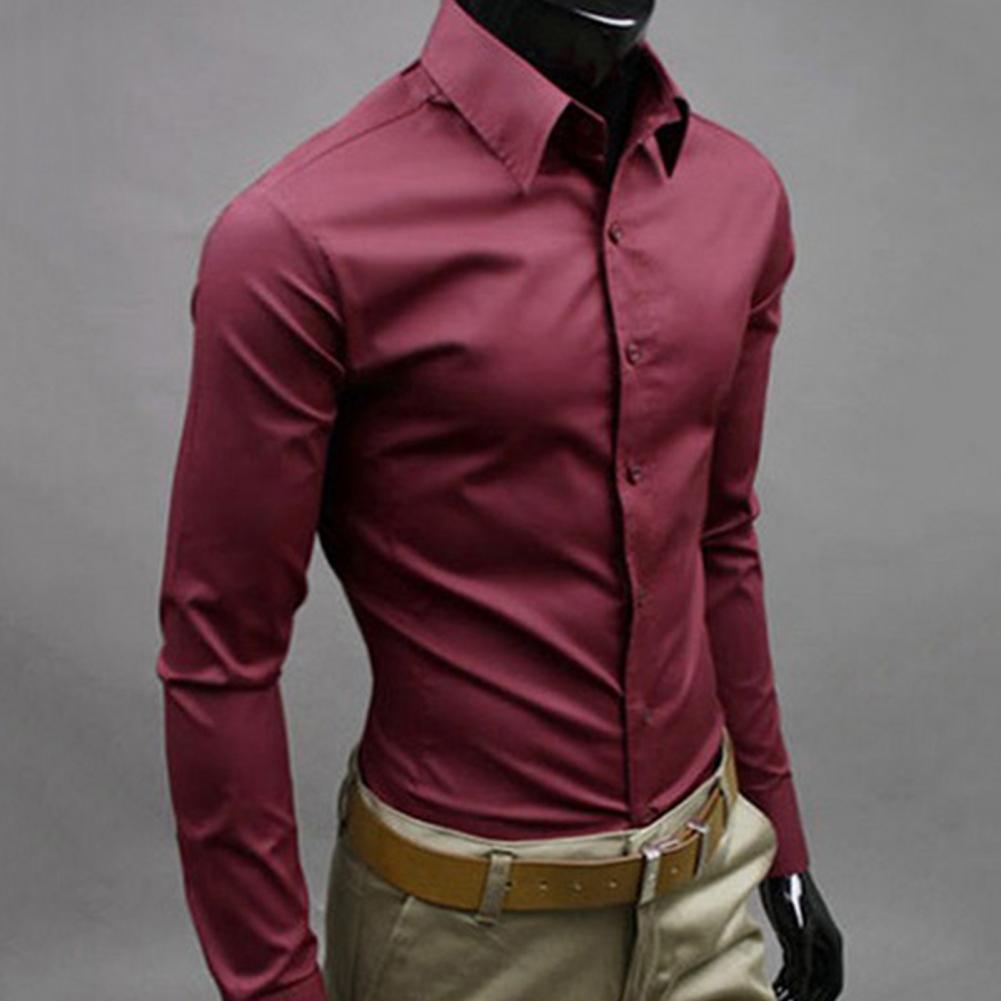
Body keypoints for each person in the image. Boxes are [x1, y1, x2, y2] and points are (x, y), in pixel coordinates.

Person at [154, 1, 843, 999]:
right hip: (461, 937)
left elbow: (717, 535)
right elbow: (219, 651)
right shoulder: (297, 236)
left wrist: (781, 846)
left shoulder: (738, 193)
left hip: (707, 893)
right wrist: (272, 986)